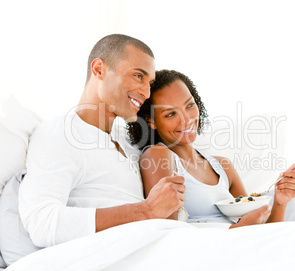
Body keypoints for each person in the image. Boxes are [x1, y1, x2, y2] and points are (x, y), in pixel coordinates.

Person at [19, 34, 186, 247]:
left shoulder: (127, 140)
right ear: (99, 69)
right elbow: (42, 223)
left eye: (149, 83)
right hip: (111, 254)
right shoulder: (61, 132)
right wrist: (146, 211)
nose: (145, 92)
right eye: (138, 76)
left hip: (154, 243)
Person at [127, 69, 295, 228]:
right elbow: (168, 232)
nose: (186, 119)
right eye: (171, 114)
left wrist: (280, 201)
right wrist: (240, 229)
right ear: (151, 121)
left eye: (189, 105)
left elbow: (259, 230)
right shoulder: (158, 155)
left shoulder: (222, 166)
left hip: (245, 245)